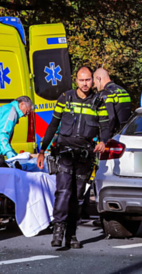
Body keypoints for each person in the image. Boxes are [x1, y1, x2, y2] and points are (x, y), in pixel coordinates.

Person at [39, 66, 109, 250]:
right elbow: (53, 124)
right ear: (75, 80)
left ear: (92, 81)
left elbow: (106, 126)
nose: (85, 84)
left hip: (85, 157)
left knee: (77, 198)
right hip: (65, 153)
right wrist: (42, 150)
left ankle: (71, 235)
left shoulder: (99, 101)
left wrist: (103, 141)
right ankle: (58, 231)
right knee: (63, 192)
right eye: (81, 80)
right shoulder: (65, 97)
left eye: (88, 80)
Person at [93, 68, 133, 140]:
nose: (95, 86)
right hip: (126, 134)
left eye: (94, 82)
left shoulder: (107, 93)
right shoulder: (123, 90)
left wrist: (107, 138)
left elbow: (111, 117)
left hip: (114, 136)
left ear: (99, 79)